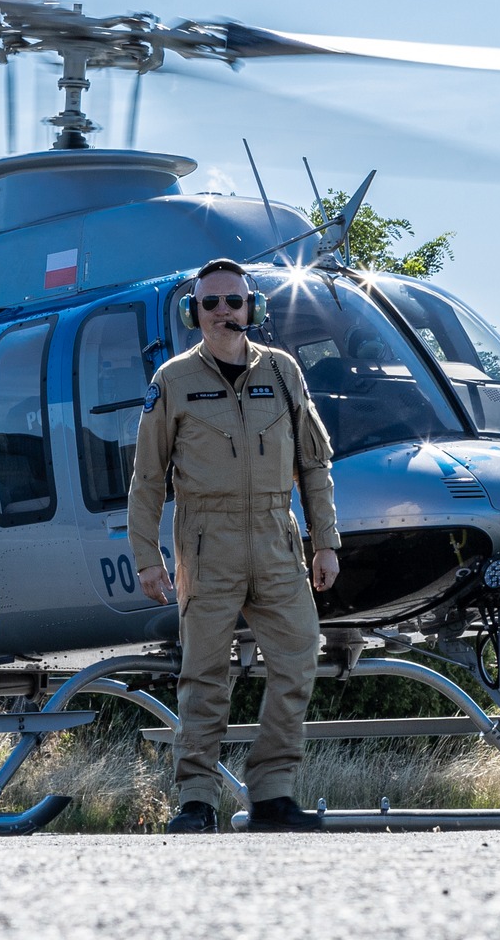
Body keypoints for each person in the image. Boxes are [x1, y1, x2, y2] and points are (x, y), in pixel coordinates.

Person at [128, 258, 341, 833]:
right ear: (193, 313)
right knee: (203, 673)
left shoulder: (284, 371)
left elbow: (313, 464)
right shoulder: (172, 381)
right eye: (211, 302)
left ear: (254, 308)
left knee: (300, 653)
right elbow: (147, 478)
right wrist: (147, 556)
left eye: (235, 301)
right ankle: (196, 797)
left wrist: (325, 542)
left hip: (277, 536)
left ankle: (272, 792)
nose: (224, 311)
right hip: (206, 540)